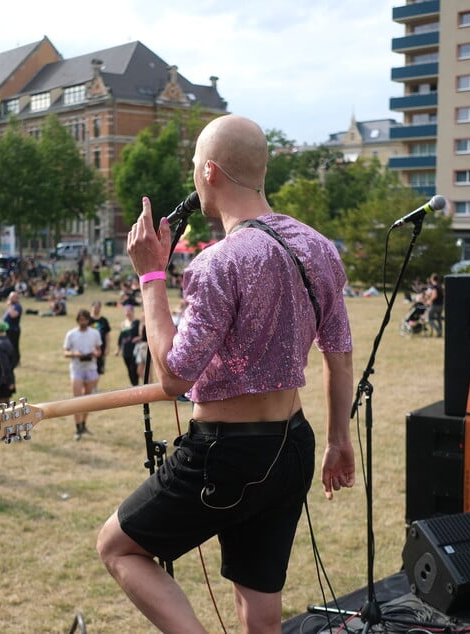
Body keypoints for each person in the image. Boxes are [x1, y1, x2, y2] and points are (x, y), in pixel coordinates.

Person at [96, 114, 355, 632]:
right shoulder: (319, 246)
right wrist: (338, 440)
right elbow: (339, 353)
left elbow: (174, 376)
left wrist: (150, 274)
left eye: (195, 166)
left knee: (118, 547)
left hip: (227, 452)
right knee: (259, 608)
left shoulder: (220, 262)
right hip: (294, 445)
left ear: (210, 172)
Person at [63, 308, 102, 441]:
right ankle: (77, 427)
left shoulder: (95, 333)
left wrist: (96, 353)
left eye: (85, 319)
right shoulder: (71, 334)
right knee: (76, 400)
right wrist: (76, 354)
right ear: (78, 320)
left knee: (88, 399)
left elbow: (99, 349)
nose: (83, 322)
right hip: (77, 368)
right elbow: (65, 352)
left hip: (91, 368)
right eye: (81, 320)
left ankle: (84, 424)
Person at [115, 303, 142, 386]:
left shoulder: (137, 322)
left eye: (129, 311)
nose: (127, 313)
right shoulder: (123, 324)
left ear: (133, 312)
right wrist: (118, 349)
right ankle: (133, 385)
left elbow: (142, 335)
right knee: (129, 370)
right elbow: (120, 338)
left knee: (133, 368)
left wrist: (139, 338)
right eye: (126, 311)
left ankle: (136, 385)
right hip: (125, 350)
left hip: (135, 350)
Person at [0, 320, 16, 404]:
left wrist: (9, 381)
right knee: (6, 401)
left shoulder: (0, 345)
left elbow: (5, 365)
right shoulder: (7, 341)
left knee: (3, 404)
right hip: (8, 375)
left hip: (3, 378)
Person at [88, 301, 111, 376]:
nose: (96, 309)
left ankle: (95, 386)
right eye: (95, 307)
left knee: (100, 367)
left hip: (102, 347)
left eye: (98, 307)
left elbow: (107, 334)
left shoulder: (104, 320)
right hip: (90, 347)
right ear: (91, 308)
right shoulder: (87, 320)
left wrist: (107, 347)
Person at [3, 291, 22, 367]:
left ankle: (16, 361)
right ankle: (11, 360)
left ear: (16, 298)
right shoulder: (12, 306)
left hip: (14, 330)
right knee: (9, 345)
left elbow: (13, 315)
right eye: (9, 297)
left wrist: (10, 306)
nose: (9, 299)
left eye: (11, 298)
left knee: (14, 346)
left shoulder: (17, 306)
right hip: (8, 329)